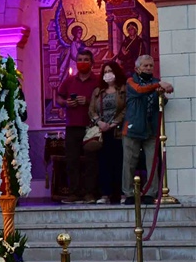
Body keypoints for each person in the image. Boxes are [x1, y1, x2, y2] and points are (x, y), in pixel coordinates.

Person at [122, 55, 174, 205]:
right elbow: (139, 90)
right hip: (133, 128)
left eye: (151, 65)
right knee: (129, 162)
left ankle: (150, 192)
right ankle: (129, 192)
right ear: (137, 68)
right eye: (145, 66)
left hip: (151, 129)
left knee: (153, 162)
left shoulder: (156, 82)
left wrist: (165, 92)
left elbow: (162, 100)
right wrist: (160, 86)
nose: (149, 68)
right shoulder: (131, 81)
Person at [56, 50, 101, 204]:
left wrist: (88, 101)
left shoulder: (97, 81)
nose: (83, 62)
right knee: (72, 161)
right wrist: (66, 103)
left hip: (91, 127)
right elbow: (58, 99)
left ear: (92, 63)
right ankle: (74, 193)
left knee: (91, 162)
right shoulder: (69, 81)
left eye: (86, 59)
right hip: (72, 126)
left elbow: (104, 101)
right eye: (80, 59)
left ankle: (90, 193)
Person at [89, 61, 127, 204]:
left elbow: (126, 108)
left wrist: (114, 123)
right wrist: (99, 122)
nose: (108, 74)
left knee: (119, 162)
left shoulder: (123, 89)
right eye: (105, 72)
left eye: (110, 71)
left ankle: (121, 193)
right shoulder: (98, 91)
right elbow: (91, 110)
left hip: (118, 131)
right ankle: (105, 194)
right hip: (102, 132)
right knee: (103, 163)